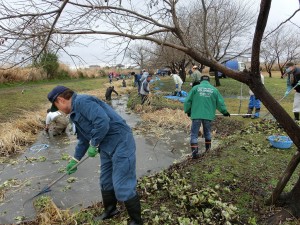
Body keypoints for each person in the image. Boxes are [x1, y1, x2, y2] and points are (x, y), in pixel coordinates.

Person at [47, 86, 142, 224]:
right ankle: (110, 210)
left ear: (60, 100)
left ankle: (137, 221)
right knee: (105, 181)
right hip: (106, 146)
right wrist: (75, 159)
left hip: (121, 142)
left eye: (57, 107)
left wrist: (94, 143)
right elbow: (83, 139)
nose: (59, 111)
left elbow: (102, 122)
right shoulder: (74, 113)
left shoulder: (82, 102)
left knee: (122, 184)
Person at [184, 75, 230, 159]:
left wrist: (188, 111)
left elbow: (187, 101)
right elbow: (220, 103)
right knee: (207, 133)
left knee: (194, 135)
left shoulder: (195, 89)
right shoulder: (214, 90)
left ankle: (194, 154)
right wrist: (225, 112)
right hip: (208, 116)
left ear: (200, 81)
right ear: (209, 81)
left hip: (196, 115)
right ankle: (208, 151)